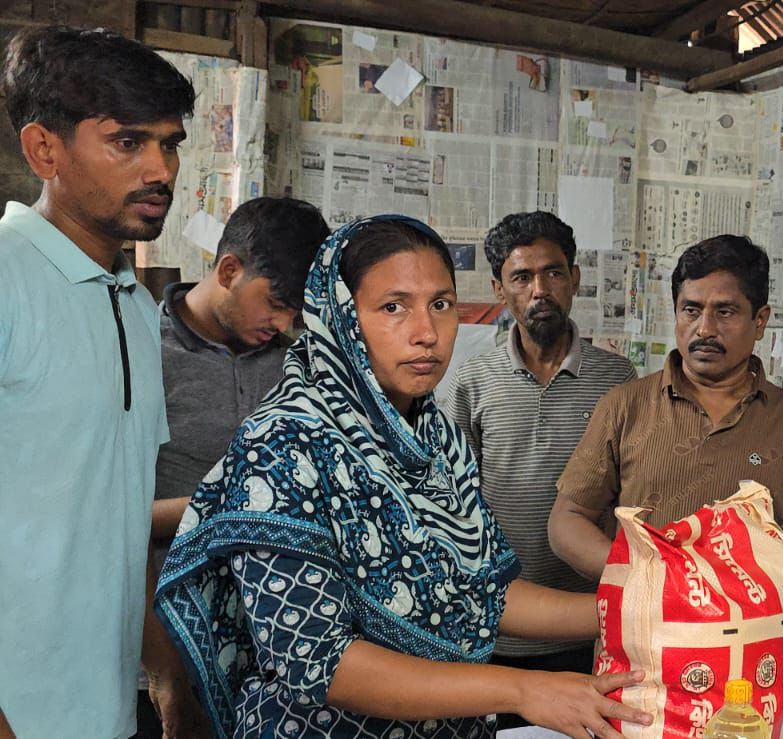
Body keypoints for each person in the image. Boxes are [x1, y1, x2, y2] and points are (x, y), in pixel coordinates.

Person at [154, 216, 650, 739]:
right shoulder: (283, 443)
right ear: (341, 317)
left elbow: (485, 593)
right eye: (393, 307)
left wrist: (635, 607)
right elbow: (319, 662)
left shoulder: (436, 439)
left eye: (441, 304)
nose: (427, 333)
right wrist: (523, 690)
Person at [0, 26, 194, 739]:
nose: (160, 169)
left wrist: (162, 665)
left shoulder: (136, 307)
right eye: (128, 142)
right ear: (44, 150)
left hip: (105, 711)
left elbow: (118, 511)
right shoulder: (6, 278)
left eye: (170, 143)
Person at [140, 196, 329, 736]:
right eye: (276, 303)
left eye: (297, 311)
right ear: (228, 270)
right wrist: (231, 507)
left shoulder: (297, 365)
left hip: (272, 655)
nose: (285, 322)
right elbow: (112, 519)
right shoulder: (144, 353)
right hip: (166, 647)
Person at [549, 235, 783, 581]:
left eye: (725, 312)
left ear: (760, 321)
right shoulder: (624, 406)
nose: (705, 329)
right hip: (641, 610)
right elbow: (567, 521)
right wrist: (640, 576)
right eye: (691, 310)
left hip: (752, 615)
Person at [446, 213, 635, 708]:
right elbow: (453, 503)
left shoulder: (618, 379)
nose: (540, 290)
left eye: (553, 273)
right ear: (498, 288)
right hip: (492, 628)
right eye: (521, 277)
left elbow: (630, 497)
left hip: (590, 624)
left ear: (575, 278)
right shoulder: (472, 380)